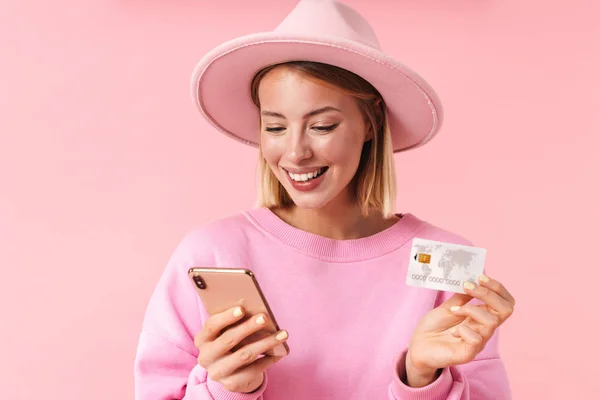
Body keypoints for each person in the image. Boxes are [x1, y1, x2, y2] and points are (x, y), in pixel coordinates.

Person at [133, 1, 515, 399]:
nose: (296, 152)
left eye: (322, 125)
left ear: (369, 124)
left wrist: (421, 378)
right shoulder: (210, 252)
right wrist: (229, 390)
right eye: (275, 126)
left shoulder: (446, 259)